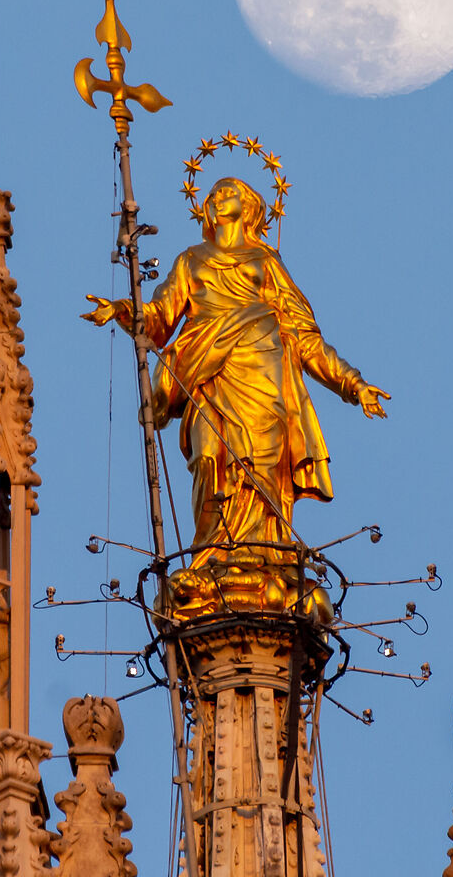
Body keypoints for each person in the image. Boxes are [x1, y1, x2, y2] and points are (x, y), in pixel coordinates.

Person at [83, 177, 387, 611]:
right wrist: (124, 308)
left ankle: (267, 557)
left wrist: (353, 383)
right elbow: (160, 316)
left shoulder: (265, 259)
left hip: (263, 371)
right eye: (213, 192)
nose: (216, 196)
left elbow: (304, 335)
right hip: (208, 370)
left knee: (264, 463)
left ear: (248, 206)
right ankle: (213, 552)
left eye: (228, 191)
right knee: (211, 458)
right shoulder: (191, 261)